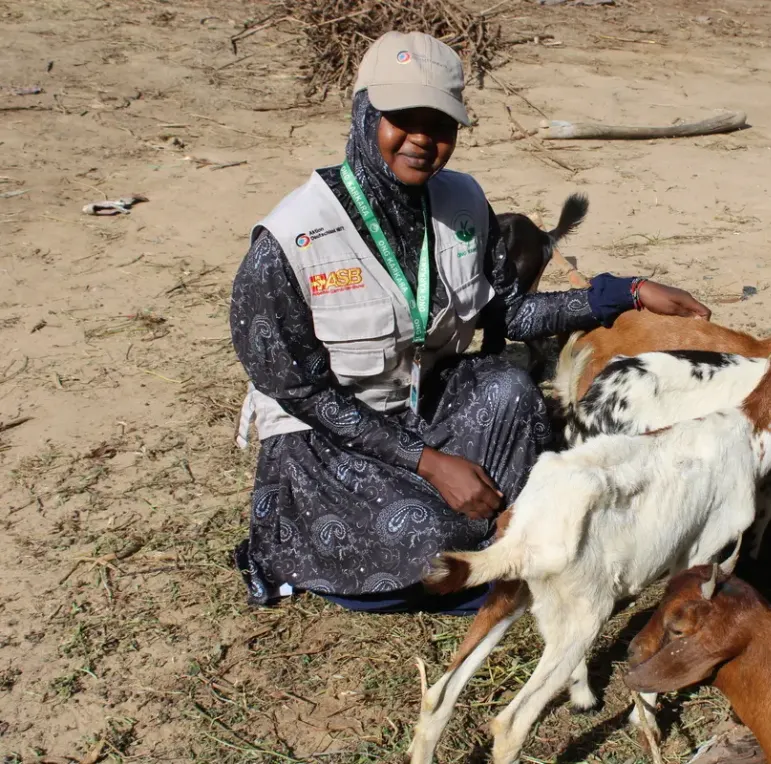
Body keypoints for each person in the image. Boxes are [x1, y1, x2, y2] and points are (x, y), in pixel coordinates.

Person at [229, 31, 711, 614]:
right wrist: (431, 464)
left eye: (441, 125)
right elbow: (297, 389)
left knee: (512, 390)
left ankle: (495, 540)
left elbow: (510, 312)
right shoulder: (292, 239)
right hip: (326, 439)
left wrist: (624, 293)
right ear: (363, 113)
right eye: (402, 118)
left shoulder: (461, 203)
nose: (422, 140)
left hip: (421, 407)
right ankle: (321, 547)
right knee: (431, 538)